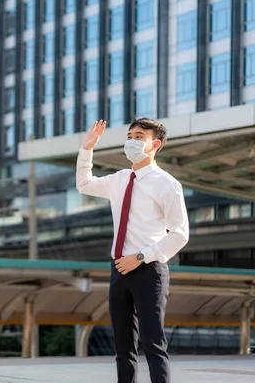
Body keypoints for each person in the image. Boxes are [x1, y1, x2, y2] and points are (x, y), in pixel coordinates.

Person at [76, 119, 189, 383]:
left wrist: (140, 257)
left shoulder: (167, 183)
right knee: (123, 349)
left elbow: (180, 234)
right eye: (129, 136)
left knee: (154, 346)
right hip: (118, 271)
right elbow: (84, 184)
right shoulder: (120, 179)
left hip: (149, 270)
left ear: (155, 144)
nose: (131, 141)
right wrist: (87, 149)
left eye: (139, 136)